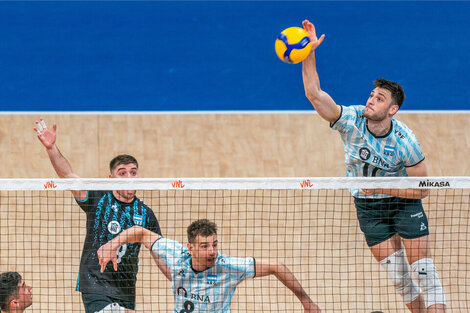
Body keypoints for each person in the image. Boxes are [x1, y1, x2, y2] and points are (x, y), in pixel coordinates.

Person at [301, 20, 446, 313]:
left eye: (379, 99)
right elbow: (314, 94)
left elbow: (423, 190)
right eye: (371, 95)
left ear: (392, 109)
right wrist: (308, 50)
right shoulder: (351, 121)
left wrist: (381, 186)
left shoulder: (406, 142)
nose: (370, 100)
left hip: (402, 202)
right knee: (401, 280)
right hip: (368, 208)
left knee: (425, 275)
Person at [34, 119, 170, 313]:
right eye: (122, 173)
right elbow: (68, 176)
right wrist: (51, 148)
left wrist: (182, 280)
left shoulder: (145, 213)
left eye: (133, 172)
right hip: (94, 284)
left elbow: (160, 255)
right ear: (111, 178)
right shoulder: (98, 198)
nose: (128, 177)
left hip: (125, 290)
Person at [97, 219, 321, 313]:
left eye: (214, 244)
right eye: (204, 246)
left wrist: (306, 300)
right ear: (191, 248)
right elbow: (140, 232)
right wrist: (111, 244)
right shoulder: (177, 255)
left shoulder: (229, 267)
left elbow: (277, 266)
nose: (212, 251)